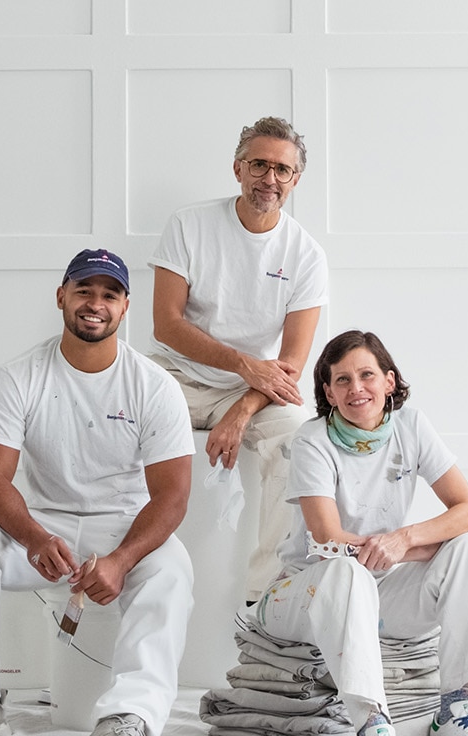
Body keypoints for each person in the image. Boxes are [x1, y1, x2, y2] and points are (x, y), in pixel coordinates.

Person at [0, 248, 196, 736]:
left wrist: (121, 559)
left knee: (173, 566)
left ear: (125, 307)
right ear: (61, 297)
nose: (95, 303)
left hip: (119, 528)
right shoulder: (19, 375)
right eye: (84, 291)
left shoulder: (153, 385)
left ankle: (129, 720)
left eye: (109, 294)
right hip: (42, 527)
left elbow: (171, 496)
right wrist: (31, 536)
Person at [256, 329, 468, 736]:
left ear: (390, 381)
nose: (357, 388)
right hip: (304, 594)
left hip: (377, 588)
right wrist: (397, 547)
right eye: (341, 380)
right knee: (345, 570)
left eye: (367, 375)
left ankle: (455, 707)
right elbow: (329, 539)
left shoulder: (412, 427)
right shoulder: (312, 441)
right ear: (328, 393)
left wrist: (405, 539)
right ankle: (375, 735)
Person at [148, 116, 328, 600]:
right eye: (259, 165)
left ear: (295, 180)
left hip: (253, 391)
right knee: (111, 421)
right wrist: (245, 363)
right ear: (237, 168)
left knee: (298, 439)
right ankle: (112, 561)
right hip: (176, 375)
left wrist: (242, 408)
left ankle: (266, 594)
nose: (270, 179)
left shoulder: (306, 254)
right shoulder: (190, 224)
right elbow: (166, 323)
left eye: (282, 170)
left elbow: (290, 364)